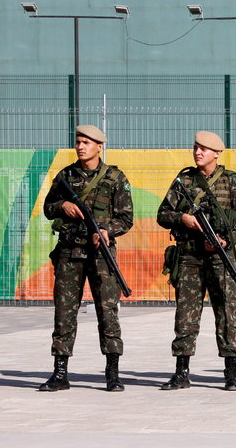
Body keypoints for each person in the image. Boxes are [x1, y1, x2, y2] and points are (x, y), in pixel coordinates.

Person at [156, 131, 236, 391]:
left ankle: (231, 373)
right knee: (186, 314)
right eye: (196, 147)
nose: (198, 152)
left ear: (217, 153)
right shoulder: (184, 180)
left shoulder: (232, 182)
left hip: (221, 258)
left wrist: (224, 241)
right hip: (189, 256)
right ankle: (181, 372)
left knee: (227, 314)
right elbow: (163, 213)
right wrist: (183, 219)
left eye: (204, 149)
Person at [40, 124, 134, 392]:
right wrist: (62, 206)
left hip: (101, 255)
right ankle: (60, 373)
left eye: (86, 142)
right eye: (78, 142)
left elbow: (126, 218)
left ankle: (113, 372)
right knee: (64, 313)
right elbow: (48, 208)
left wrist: (107, 231)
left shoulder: (114, 178)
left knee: (107, 311)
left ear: (99, 146)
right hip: (70, 252)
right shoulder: (65, 177)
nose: (80, 146)